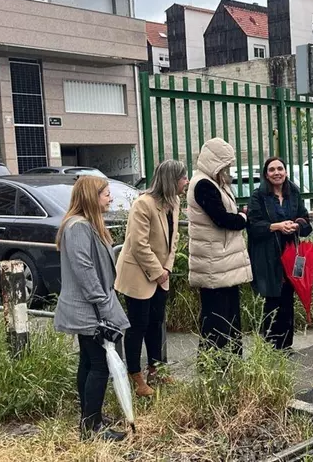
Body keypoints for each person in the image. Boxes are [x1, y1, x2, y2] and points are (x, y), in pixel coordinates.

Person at [53, 176, 130, 441]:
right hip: (89, 308)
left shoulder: (84, 224)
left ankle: (90, 417)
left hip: (89, 306)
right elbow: (84, 269)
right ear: (91, 196)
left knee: (88, 361)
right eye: (106, 193)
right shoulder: (79, 227)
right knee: (99, 365)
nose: (110, 198)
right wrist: (102, 304)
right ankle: (92, 427)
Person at [115, 160, 188, 397]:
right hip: (138, 273)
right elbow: (138, 244)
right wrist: (158, 272)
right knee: (138, 325)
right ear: (171, 180)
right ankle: (135, 376)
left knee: (157, 322)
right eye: (183, 177)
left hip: (161, 274)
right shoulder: (143, 204)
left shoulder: (174, 202)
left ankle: (156, 369)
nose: (186, 182)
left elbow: (174, 240)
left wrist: (166, 269)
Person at [187, 138, 252, 356]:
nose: (228, 169)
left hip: (221, 261)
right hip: (213, 262)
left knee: (228, 316)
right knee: (217, 320)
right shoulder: (203, 185)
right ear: (215, 162)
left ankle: (229, 361)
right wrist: (242, 218)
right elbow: (222, 219)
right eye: (226, 164)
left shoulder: (212, 182)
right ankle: (216, 363)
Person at [247, 157, 312, 351]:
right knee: (271, 298)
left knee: (287, 298)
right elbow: (253, 225)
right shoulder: (258, 195)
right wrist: (277, 226)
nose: (277, 173)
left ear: (286, 172)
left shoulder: (294, 192)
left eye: (280, 169)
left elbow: (305, 219)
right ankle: (270, 345)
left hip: (291, 253)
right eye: (272, 170)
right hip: (268, 254)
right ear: (266, 174)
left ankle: (285, 344)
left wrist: (296, 225)